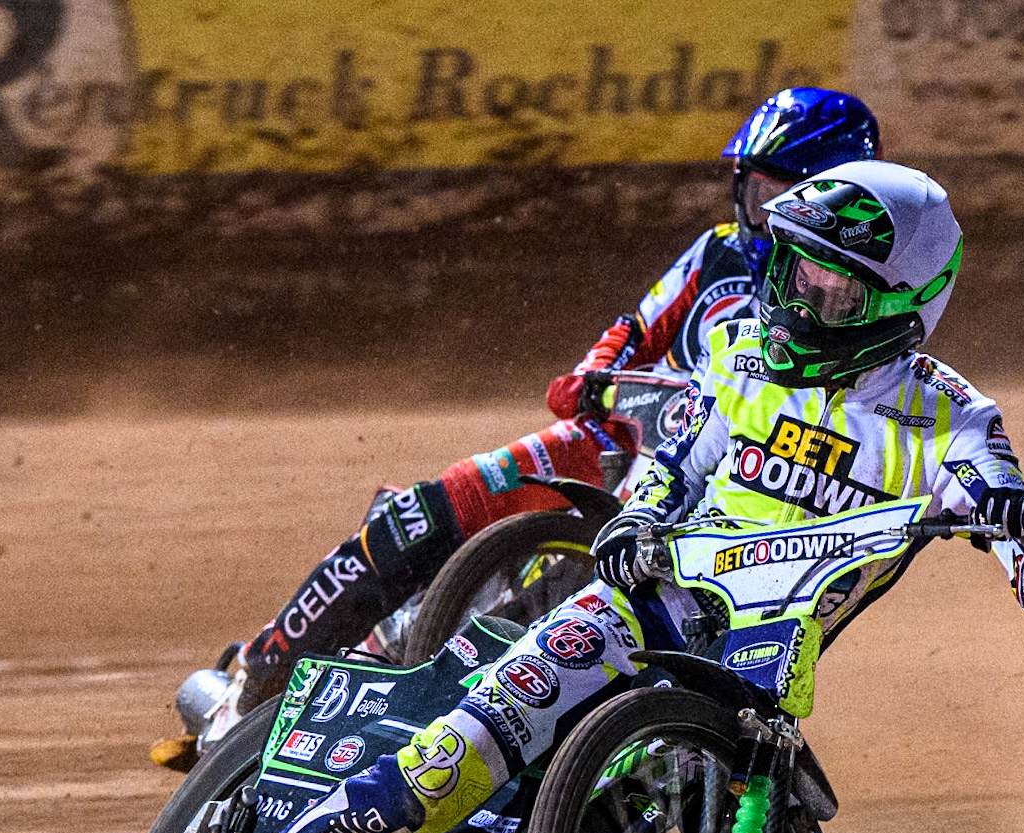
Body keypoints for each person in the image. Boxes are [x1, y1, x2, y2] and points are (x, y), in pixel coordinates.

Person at [164, 159, 1024, 833]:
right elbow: (666, 469)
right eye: (795, 267)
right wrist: (636, 521)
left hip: (743, 688)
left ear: (899, 306)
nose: (801, 295)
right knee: (450, 762)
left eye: (832, 285)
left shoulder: (955, 417)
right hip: (629, 614)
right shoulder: (744, 361)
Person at [173, 88, 884, 756]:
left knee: (585, 644)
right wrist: (596, 382)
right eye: (757, 193)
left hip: (722, 502)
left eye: (783, 197)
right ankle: (256, 678)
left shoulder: (866, 307)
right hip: (624, 446)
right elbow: (612, 349)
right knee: (426, 511)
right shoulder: (715, 252)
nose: (763, 216)